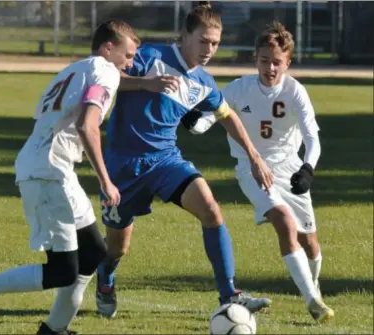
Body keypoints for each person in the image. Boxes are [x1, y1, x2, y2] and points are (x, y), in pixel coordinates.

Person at [0, 20, 140, 335]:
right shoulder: (104, 71)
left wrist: (150, 84)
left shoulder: (77, 69)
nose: (130, 64)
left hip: (52, 166)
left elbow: (96, 95)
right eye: (128, 56)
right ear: (108, 48)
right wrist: (105, 180)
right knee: (62, 271)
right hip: (48, 172)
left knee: (93, 252)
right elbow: (87, 125)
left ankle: (54, 329)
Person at [94, 2, 274, 319]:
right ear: (185, 35)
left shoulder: (203, 82)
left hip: (166, 160)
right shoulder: (149, 56)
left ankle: (230, 294)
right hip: (123, 166)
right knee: (117, 248)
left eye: (215, 43)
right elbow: (104, 77)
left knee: (211, 210)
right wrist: (144, 83)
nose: (209, 49)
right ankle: (105, 279)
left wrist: (255, 156)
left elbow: (227, 116)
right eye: (203, 41)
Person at [181, 21, 334, 323]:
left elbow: (313, 138)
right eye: (265, 61)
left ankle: (312, 286)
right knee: (284, 222)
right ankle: (312, 301)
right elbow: (210, 119)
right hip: (252, 169)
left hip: (290, 169)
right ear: (256, 59)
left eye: (277, 62)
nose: (271, 68)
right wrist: (192, 121)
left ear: (288, 62)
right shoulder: (239, 88)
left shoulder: (296, 92)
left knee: (311, 243)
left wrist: (307, 169)